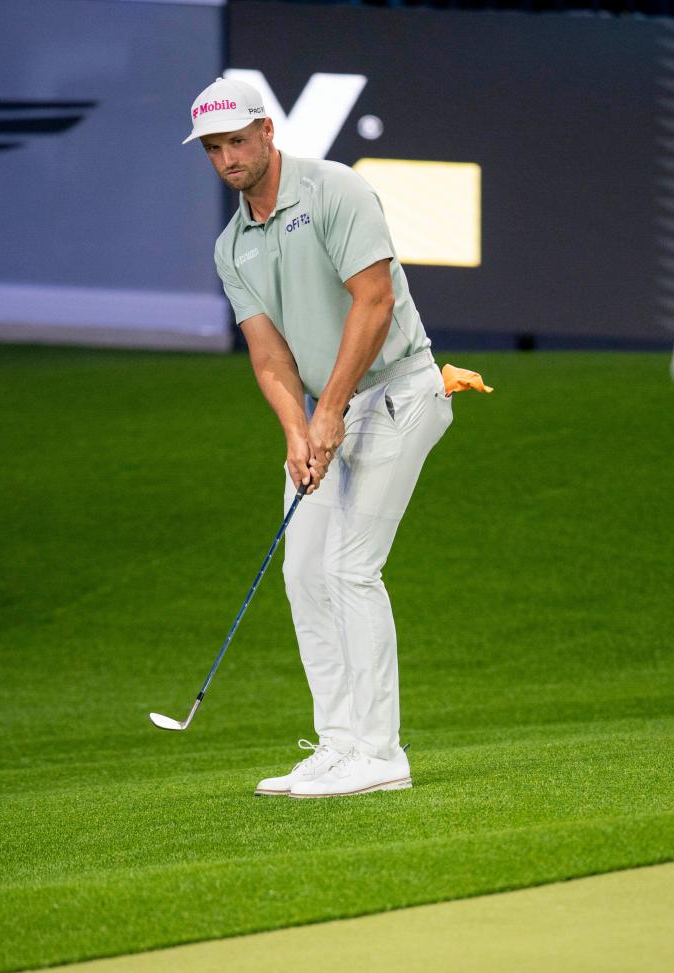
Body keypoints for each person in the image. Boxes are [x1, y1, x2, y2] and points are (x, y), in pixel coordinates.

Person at [183, 76, 453, 799]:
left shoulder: (336, 190)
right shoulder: (231, 247)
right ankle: (339, 743)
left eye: (237, 140)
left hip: (399, 390)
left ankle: (382, 751)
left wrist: (329, 408)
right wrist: (297, 431)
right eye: (214, 148)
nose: (228, 157)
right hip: (331, 412)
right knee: (304, 571)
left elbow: (375, 301)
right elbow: (269, 357)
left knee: (350, 568)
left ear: (267, 132)